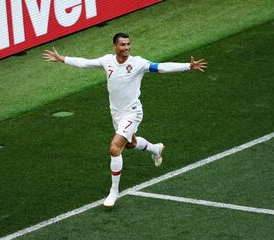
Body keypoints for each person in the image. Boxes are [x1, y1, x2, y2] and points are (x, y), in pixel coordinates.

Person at [42, 32, 207, 207]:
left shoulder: (138, 63)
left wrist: (188, 66)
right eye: (123, 45)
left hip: (132, 112)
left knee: (115, 148)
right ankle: (156, 149)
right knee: (129, 144)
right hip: (116, 113)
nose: (127, 47)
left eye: (128, 44)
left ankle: (114, 192)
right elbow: (84, 63)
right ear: (115, 46)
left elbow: (161, 67)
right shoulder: (107, 61)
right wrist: (62, 58)